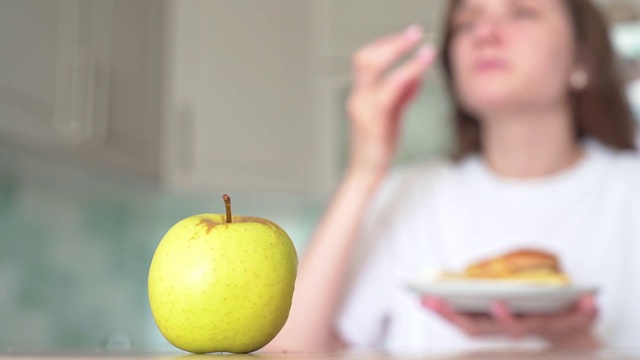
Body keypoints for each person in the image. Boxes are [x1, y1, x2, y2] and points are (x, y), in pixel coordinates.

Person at [264, 0, 640, 354]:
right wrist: (364, 171)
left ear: (583, 59)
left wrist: (581, 343)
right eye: (467, 23)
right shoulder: (409, 193)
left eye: (522, 13)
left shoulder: (629, 191)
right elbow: (287, 351)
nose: (485, 34)